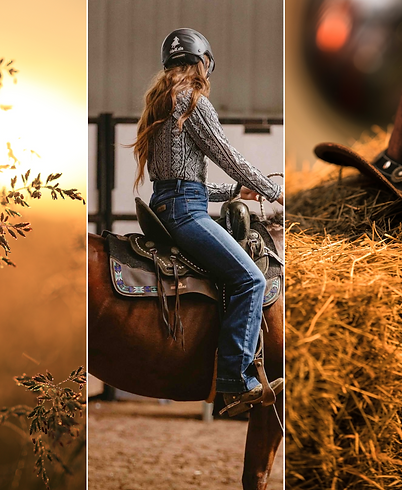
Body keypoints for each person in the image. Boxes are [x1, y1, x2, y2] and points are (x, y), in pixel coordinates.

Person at [131, 28, 284, 415]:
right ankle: (235, 378)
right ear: (203, 64)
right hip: (186, 213)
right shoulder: (193, 102)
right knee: (250, 279)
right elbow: (228, 157)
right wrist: (272, 190)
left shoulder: (160, 103)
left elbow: (178, 180)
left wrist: (234, 193)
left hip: (167, 206)